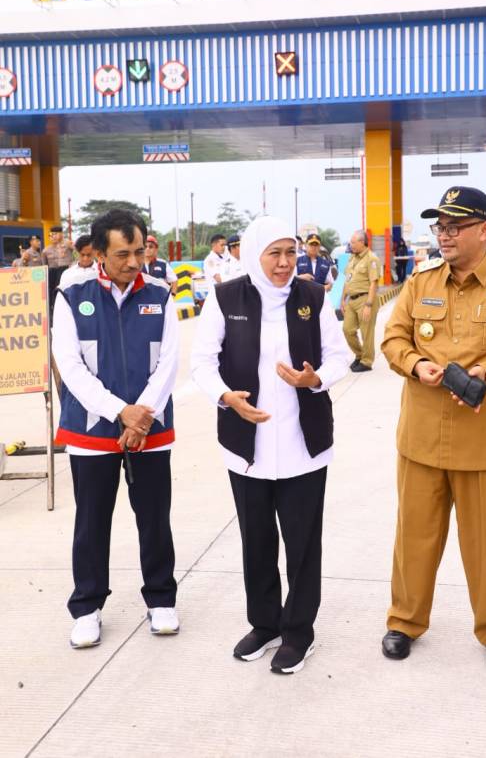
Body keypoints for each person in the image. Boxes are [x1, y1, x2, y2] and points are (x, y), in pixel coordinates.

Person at [380, 186, 486, 672]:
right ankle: (404, 621)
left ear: (484, 231)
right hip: (423, 437)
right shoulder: (421, 282)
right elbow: (394, 337)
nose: (445, 235)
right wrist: (416, 364)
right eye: (440, 227)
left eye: (455, 226)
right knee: (414, 536)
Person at [191, 216, 350, 674]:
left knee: (302, 543)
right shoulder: (226, 298)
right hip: (247, 443)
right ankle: (265, 624)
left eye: (290, 252)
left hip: (304, 443)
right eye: (274, 253)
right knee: (256, 540)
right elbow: (201, 361)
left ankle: (299, 631)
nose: (284, 263)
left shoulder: (312, 297)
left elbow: (339, 355)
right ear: (254, 253)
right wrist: (225, 397)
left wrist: (315, 378)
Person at [52, 210, 180, 649]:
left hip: (150, 427)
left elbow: (168, 363)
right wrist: (120, 412)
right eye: (122, 253)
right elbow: (70, 365)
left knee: (154, 517)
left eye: (139, 251)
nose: (133, 261)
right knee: (91, 522)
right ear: (99, 254)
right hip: (91, 430)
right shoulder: (72, 294)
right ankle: (87, 607)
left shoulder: (161, 294)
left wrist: (142, 414)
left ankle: (161, 599)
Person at [341, 231, 382, 373]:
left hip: (365, 300)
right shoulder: (352, 258)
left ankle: (366, 361)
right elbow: (347, 280)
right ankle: (359, 355)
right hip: (351, 301)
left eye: (353, 242)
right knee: (347, 330)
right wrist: (342, 300)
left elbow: (373, 284)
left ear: (362, 242)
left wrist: (369, 305)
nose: (350, 245)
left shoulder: (371, 259)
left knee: (367, 333)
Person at [43, 225, 75, 313]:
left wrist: (74, 264)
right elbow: (45, 264)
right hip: (55, 271)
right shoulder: (49, 248)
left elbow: (77, 252)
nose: (53, 236)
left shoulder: (67, 243)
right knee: (55, 289)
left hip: (67, 269)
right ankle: (55, 306)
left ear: (61, 234)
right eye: (52, 234)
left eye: (55, 234)